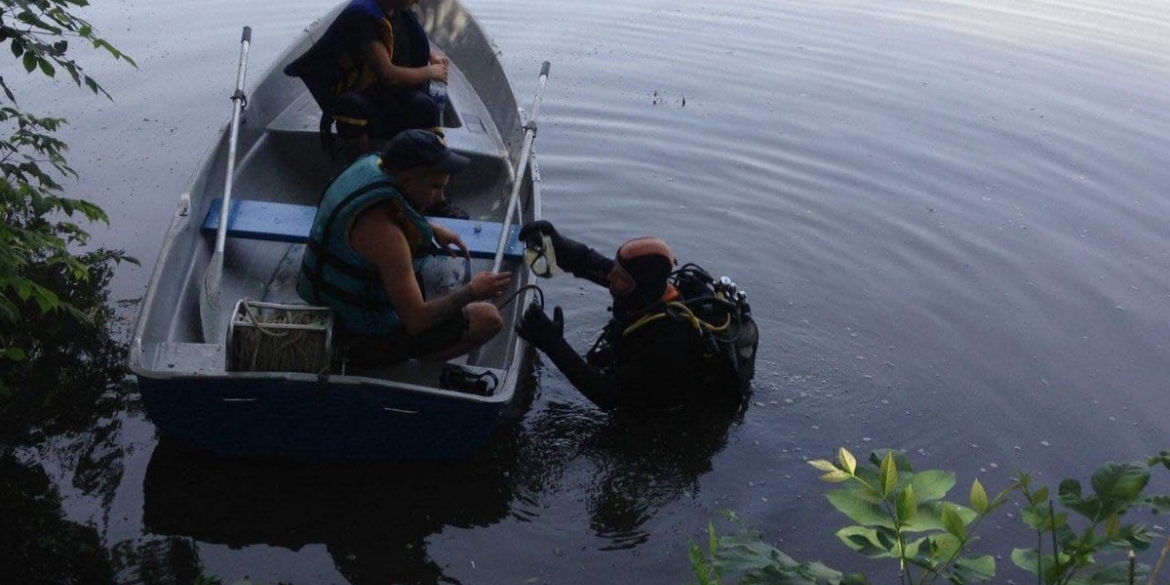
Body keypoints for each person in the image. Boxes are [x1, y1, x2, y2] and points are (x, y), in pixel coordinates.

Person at [297, 129, 511, 366]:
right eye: (435, 186)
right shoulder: (388, 237)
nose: (441, 198)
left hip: (326, 304)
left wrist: (430, 229)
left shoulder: (371, 167)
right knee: (489, 318)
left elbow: (394, 208)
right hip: (356, 339)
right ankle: (421, 358)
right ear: (408, 179)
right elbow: (417, 321)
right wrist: (472, 290)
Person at [515, 221, 759, 412]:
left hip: (661, 414)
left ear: (641, 287)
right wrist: (557, 244)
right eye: (617, 271)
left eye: (621, 278)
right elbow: (596, 265)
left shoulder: (667, 340)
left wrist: (553, 344)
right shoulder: (648, 292)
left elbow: (608, 396)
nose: (611, 278)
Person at [283, 0, 452, 164]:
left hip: (398, 97)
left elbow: (406, 39)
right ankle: (364, 169)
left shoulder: (400, 12)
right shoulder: (363, 18)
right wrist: (430, 72)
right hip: (370, 99)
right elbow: (388, 75)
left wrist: (431, 56)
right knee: (349, 105)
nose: (417, 1)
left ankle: (423, 174)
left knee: (426, 107)